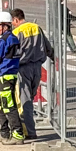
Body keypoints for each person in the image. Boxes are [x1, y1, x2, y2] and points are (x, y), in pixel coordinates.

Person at [11, 9, 55, 141]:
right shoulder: (37, 28)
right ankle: (27, 127)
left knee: (26, 101)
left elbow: (12, 52)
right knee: (31, 96)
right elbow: (48, 47)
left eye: (13, 22)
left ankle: (30, 131)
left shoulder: (16, 32)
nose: (13, 25)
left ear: (16, 20)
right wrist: (54, 57)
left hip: (23, 68)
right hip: (37, 68)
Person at [0, 10, 24, 144]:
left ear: (5, 26)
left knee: (8, 105)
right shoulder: (14, 38)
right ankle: (4, 132)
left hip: (5, 75)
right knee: (2, 105)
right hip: (10, 74)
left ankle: (17, 134)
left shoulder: (4, 41)